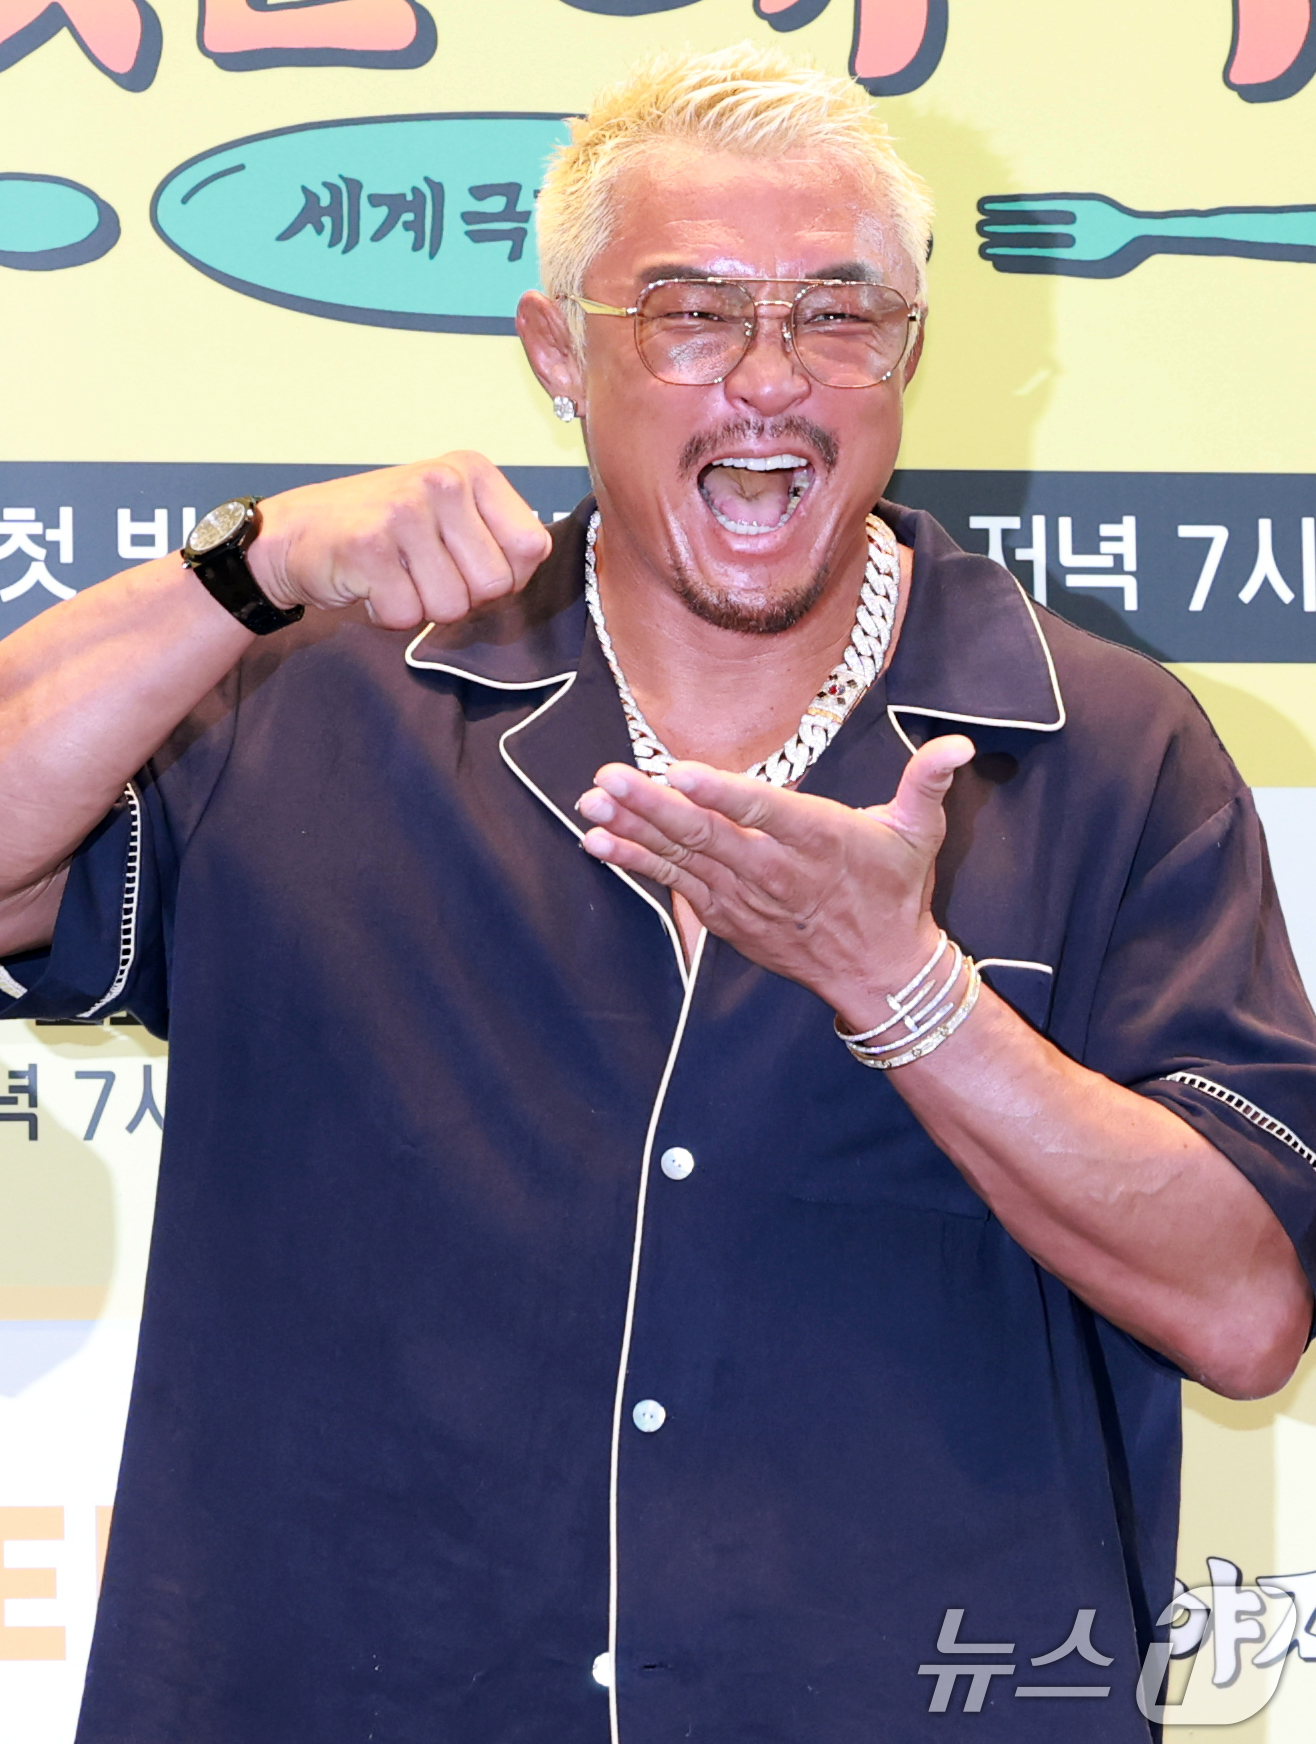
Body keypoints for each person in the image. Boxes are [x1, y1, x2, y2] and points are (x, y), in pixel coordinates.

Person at [0, 43, 1313, 1744]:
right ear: (558, 352)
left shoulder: (1106, 747)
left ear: (911, 351)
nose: (769, 381)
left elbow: (1245, 1307)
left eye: (839, 316)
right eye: (689, 316)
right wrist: (236, 577)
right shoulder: (311, 699)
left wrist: (912, 995)